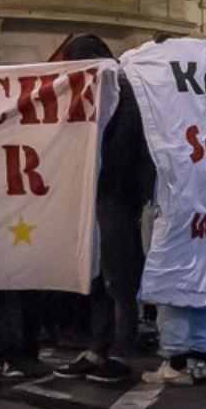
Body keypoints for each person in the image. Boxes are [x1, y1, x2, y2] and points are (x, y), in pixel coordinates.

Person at [53, 35, 155, 385]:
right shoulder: (100, 92)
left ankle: (120, 352)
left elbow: (125, 150)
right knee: (96, 273)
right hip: (97, 195)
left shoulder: (123, 92)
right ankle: (99, 347)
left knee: (117, 277)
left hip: (114, 195)